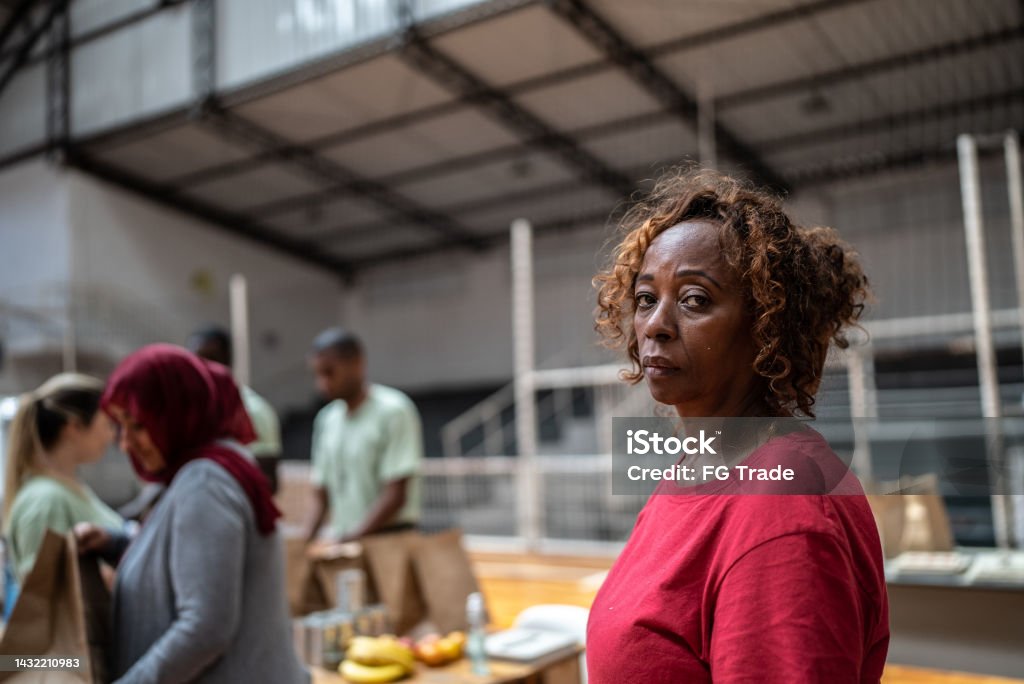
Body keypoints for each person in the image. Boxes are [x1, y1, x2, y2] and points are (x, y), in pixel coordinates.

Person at [586, 169, 889, 682]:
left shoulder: (779, 512)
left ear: (765, 325)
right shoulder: (698, 465)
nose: (655, 324)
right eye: (645, 298)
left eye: (695, 299)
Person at [76, 344, 307, 684]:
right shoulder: (212, 465)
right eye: (120, 426)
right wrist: (115, 543)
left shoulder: (204, 484)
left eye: (138, 425)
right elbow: (186, 563)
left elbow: (205, 628)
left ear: (176, 415)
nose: (125, 444)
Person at [1, 374, 121, 606]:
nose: (111, 435)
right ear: (74, 426)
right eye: (106, 424)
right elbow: (43, 594)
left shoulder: (67, 488)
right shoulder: (45, 499)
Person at [303, 327, 423, 545]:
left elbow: (396, 494)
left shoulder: (394, 410)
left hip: (391, 542)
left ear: (357, 364)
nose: (323, 384)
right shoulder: (327, 419)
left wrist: (354, 539)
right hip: (346, 542)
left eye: (329, 372)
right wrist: (303, 546)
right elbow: (321, 494)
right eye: (318, 374)